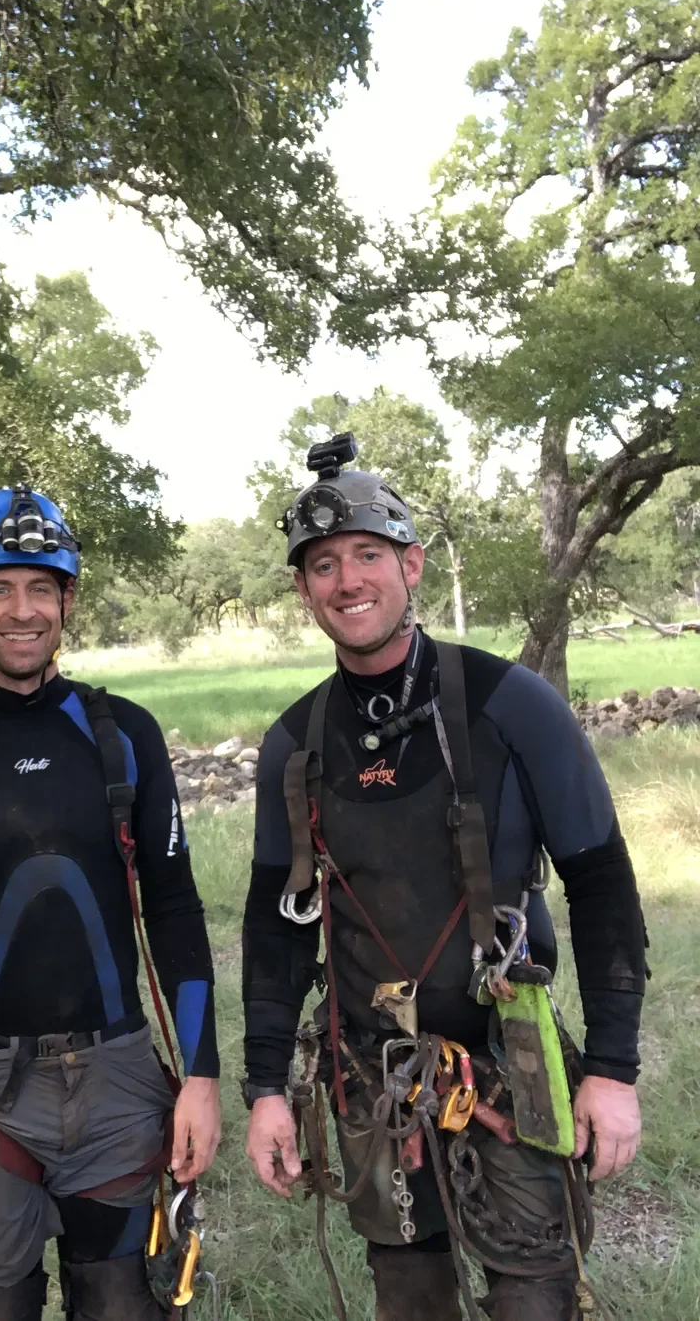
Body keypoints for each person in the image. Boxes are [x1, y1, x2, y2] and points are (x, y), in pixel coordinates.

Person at [241, 436, 647, 1321]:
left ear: (412, 564)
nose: (347, 580)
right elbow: (275, 932)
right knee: (410, 1296)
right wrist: (265, 1087)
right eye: (322, 565)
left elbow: (602, 884)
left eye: (367, 554)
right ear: (304, 589)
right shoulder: (295, 746)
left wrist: (613, 1070)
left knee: (535, 1294)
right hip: (371, 1073)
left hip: (509, 1060)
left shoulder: (511, 705)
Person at [0, 485, 221, 1321]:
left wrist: (201, 1076)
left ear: (67, 601)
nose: (22, 611)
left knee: (122, 1305)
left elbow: (175, 909)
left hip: (116, 1081)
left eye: (40, 588)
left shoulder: (126, 735)